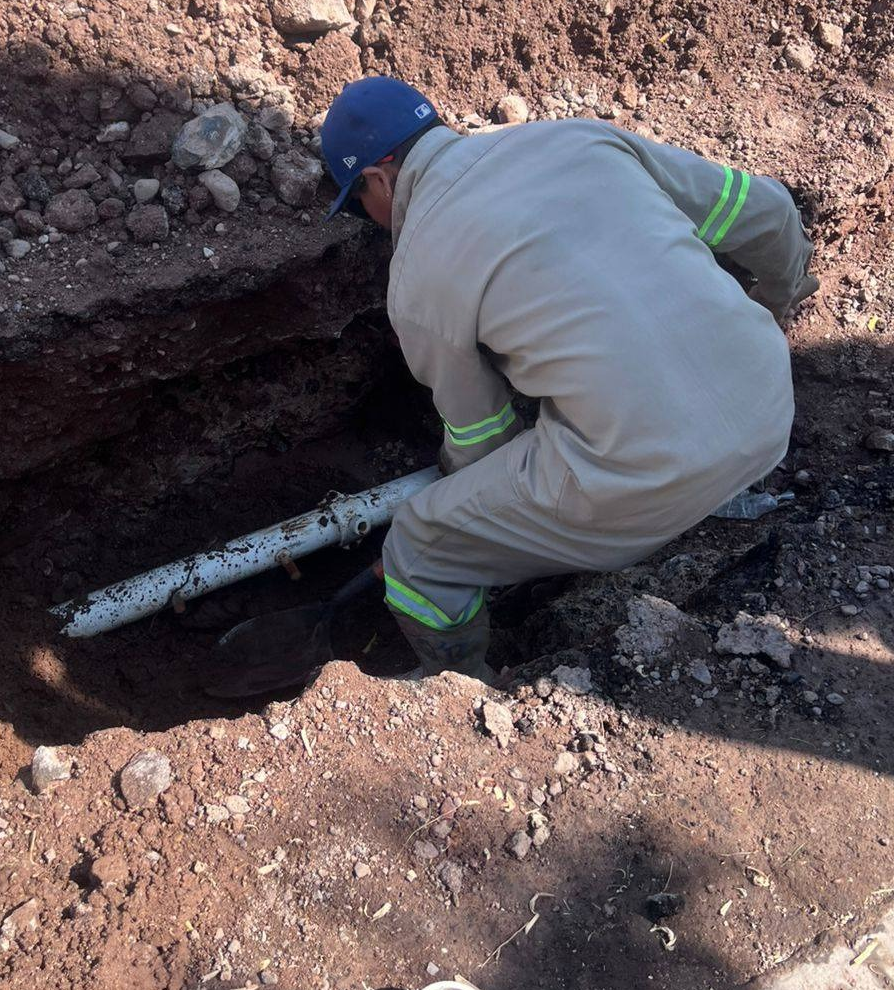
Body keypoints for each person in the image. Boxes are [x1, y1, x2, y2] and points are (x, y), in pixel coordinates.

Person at [319, 75, 817, 680]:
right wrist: (777, 300)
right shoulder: (579, 138)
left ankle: (460, 697)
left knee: (417, 550)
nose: (370, 219)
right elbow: (768, 213)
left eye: (358, 202)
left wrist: (464, 515)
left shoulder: (417, 273)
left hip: (648, 475)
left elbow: (483, 439)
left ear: (379, 175)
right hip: (769, 407)